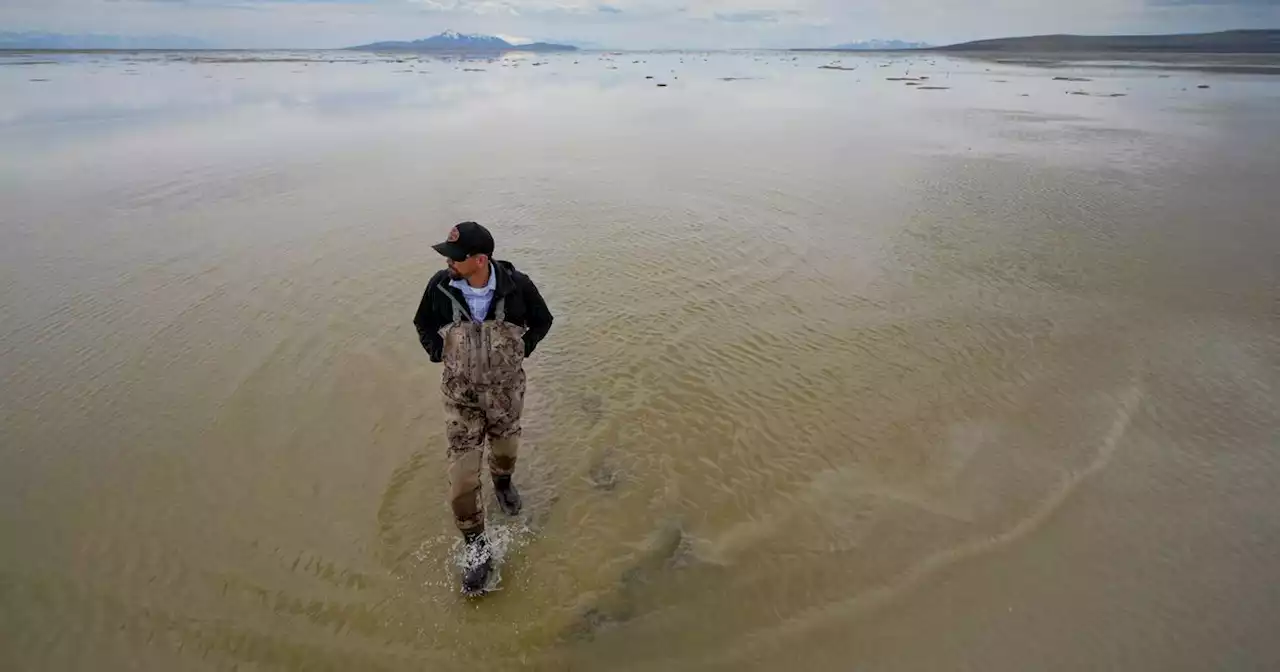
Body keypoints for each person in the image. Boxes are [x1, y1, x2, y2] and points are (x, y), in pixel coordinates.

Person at [413, 221, 554, 594]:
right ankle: (477, 548)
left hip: (506, 395)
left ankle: (503, 484)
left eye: (456, 258)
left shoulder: (517, 285)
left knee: (505, 452)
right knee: (461, 480)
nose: (449, 263)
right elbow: (423, 323)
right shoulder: (440, 286)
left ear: (480, 260)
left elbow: (543, 321)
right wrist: (435, 352)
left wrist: (521, 351)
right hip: (460, 399)